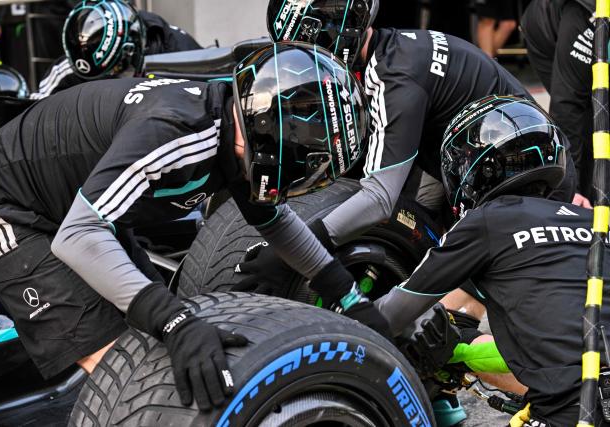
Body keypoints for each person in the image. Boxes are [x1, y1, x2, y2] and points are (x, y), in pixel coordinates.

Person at [0, 42, 387, 411]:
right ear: (271, 135)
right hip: (7, 206)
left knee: (152, 342)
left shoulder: (236, 128)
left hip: (81, 205)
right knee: (116, 364)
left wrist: (349, 296)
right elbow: (79, 236)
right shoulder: (181, 132)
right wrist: (177, 323)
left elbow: (274, 220)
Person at [241, 0, 576, 322]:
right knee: (421, 240)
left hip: (525, 180)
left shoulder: (394, 77)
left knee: (446, 314)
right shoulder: (389, 49)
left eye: (303, 49)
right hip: (472, 167)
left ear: (331, 36)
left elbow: (378, 199)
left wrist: (298, 250)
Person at [375, 96, 608, 427]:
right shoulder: (595, 220)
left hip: (575, 410)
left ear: (480, 169)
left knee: (431, 334)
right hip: (591, 391)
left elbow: (392, 314)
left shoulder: (487, 221)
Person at [30, 0, 202, 99]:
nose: (110, 79)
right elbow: (36, 107)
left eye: (117, 69)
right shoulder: (80, 63)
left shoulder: (181, 53)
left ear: (133, 49)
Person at [521, 0, 595, 208]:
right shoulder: (586, 13)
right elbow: (567, 105)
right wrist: (571, 189)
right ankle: (583, 204)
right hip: (547, 32)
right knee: (589, 122)